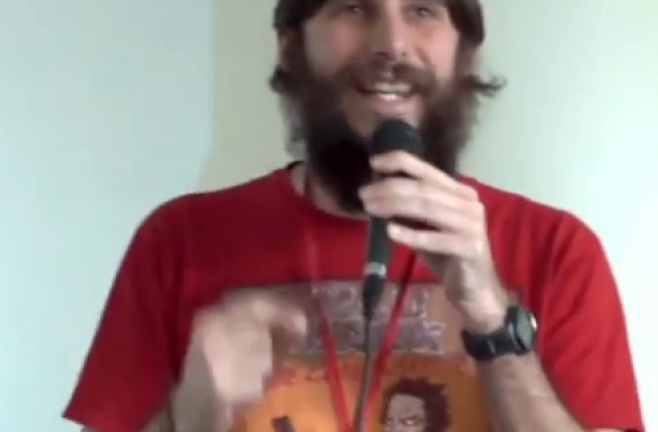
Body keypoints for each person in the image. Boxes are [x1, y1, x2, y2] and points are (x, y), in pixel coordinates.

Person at [63, 0, 645, 432]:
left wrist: (494, 324)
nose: (392, 43)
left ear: (464, 53)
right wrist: (193, 415)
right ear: (292, 45)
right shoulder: (178, 241)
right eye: (353, 7)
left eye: (422, 10)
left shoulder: (557, 249)